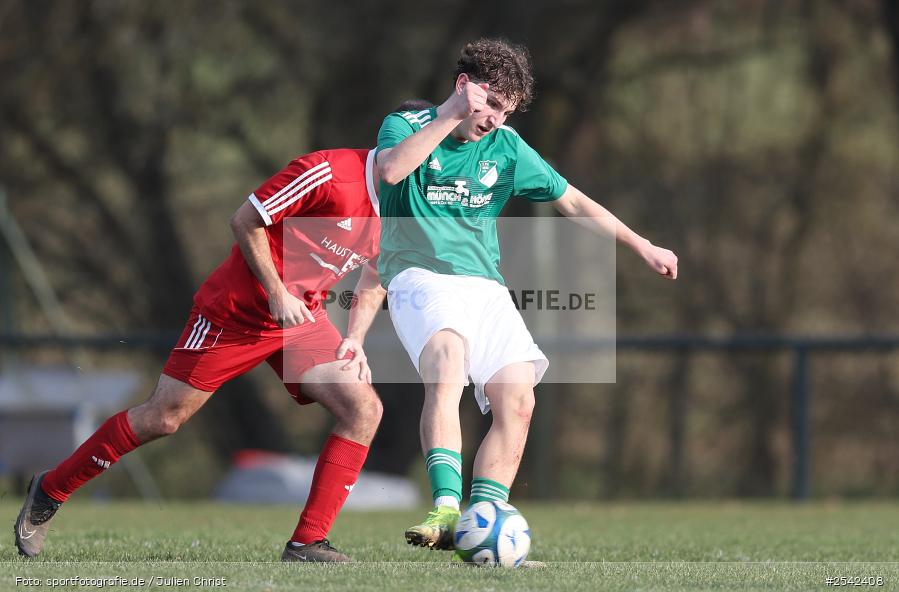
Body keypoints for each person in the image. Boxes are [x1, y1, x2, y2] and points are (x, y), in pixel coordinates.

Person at [14, 144, 389, 562]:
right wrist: (277, 293)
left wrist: (354, 337)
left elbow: (377, 274)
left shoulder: (409, 200)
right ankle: (51, 489)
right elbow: (245, 220)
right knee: (163, 418)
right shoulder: (331, 172)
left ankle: (307, 543)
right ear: (398, 141)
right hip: (236, 312)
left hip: (300, 320)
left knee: (363, 409)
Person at [375, 39, 679, 549]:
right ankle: (446, 508)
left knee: (518, 399)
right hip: (419, 277)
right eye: (490, 104)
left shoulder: (508, 147)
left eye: (506, 110)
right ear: (463, 86)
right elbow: (391, 170)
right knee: (448, 361)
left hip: (485, 286)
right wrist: (452, 115)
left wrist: (640, 243)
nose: (496, 119)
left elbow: (574, 203)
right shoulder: (405, 126)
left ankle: (482, 528)